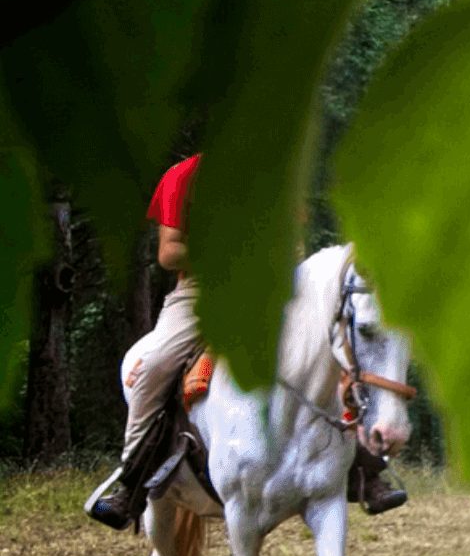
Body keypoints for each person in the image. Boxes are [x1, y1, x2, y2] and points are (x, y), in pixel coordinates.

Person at [84, 154, 407, 529]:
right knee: (154, 365)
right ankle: (131, 482)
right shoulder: (183, 177)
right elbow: (169, 252)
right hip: (201, 294)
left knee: (329, 346)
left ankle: (363, 468)